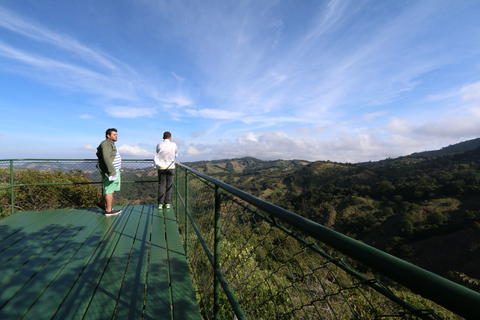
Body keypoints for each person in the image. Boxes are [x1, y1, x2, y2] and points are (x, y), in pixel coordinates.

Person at [96, 128, 122, 216]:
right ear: (108, 135)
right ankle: (108, 211)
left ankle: (101, 204)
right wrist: (111, 171)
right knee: (109, 190)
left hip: (115, 170)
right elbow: (106, 157)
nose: (116, 136)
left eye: (117, 134)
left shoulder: (111, 144)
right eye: (114, 134)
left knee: (112, 189)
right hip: (110, 171)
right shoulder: (106, 144)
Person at [154, 131, 178, 210]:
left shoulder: (159, 144)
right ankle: (167, 204)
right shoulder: (173, 144)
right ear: (170, 137)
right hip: (171, 167)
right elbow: (176, 155)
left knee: (161, 185)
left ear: (163, 137)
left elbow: (158, 152)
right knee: (169, 186)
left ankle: (160, 204)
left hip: (161, 167)